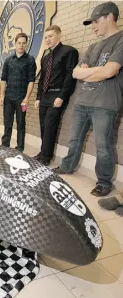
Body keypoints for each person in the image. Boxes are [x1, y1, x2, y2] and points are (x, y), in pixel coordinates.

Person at [54, 2, 123, 197]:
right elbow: (76, 72)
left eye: (96, 21)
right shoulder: (93, 46)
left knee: (103, 146)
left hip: (105, 103)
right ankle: (67, 167)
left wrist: (91, 72)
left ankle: (104, 182)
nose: (93, 26)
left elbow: (110, 71)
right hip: (83, 101)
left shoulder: (121, 39)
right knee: (74, 139)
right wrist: (96, 72)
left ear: (110, 17)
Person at [34, 25, 79, 166]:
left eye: (51, 36)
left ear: (59, 35)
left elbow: (69, 77)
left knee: (50, 126)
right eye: (46, 37)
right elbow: (42, 79)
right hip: (45, 96)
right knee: (43, 126)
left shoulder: (69, 52)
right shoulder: (45, 56)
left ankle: (46, 157)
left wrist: (62, 96)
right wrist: (38, 97)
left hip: (57, 95)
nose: (48, 39)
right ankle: (43, 152)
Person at [0, 33, 36, 151]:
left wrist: (27, 98)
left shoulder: (30, 60)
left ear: (26, 44)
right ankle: (5, 146)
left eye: (23, 43)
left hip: (21, 98)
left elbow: (31, 80)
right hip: (8, 98)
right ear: (15, 44)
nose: (21, 45)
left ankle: (20, 148)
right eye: (19, 43)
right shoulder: (8, 60)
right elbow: (3, 79)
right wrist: (1, 95)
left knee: (21, 124)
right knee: (7, 123)